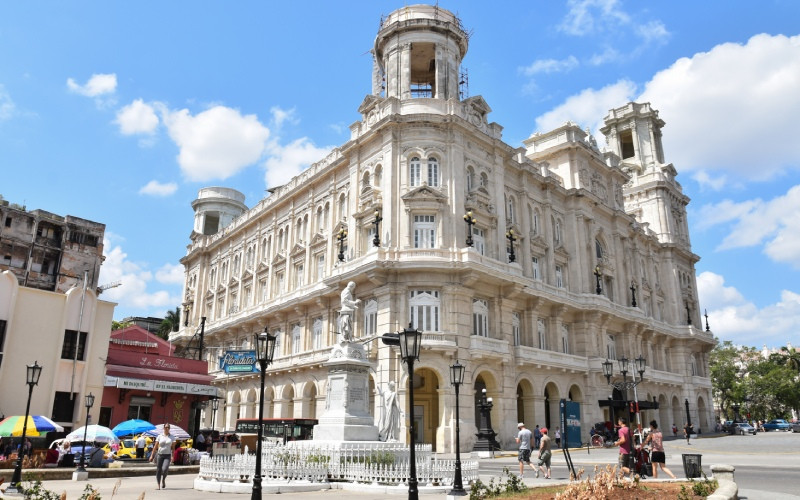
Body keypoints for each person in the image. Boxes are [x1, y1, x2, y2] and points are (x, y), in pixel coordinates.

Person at [150, 424, 175, 490]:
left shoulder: (172, 437)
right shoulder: (159, 436)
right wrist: (152, 455)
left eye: (168, 427)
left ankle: (163, 479)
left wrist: (173, 456)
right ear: (163, 428)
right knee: (158, 470)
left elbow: (173, 448)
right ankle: (158, 485)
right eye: (166, 427)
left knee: (165, 469)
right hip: (160, 455)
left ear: (169, 428)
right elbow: (155, 447)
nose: (167, 428)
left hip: (167, 455)